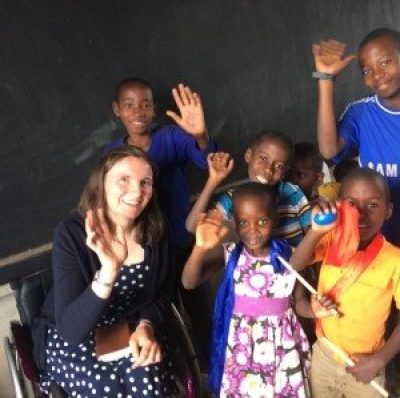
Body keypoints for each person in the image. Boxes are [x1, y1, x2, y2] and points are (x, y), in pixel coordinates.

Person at [32, 147, 178, 397]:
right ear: (102, 183)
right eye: (124, 180)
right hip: (75, 335)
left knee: (148, 378)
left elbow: (162, 294)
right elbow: (71, 331)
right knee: (104, 386)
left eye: (145, 182)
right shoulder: (71, 234)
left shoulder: (157, 231)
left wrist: (146, 325)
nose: (137, 191)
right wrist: (110, 269)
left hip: (130, 328)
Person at [103, 78, 218, 367]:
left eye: (145, 104)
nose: (138, 111)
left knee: (200, 308)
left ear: (154, 109)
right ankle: (178, 369)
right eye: (129, 105)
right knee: (161, 314)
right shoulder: (113, 154)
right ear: (117, 109)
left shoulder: (171, 137)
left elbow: (208, 161)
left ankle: (212, 368)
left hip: (183, 241)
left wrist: (201, 135)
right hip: (146, 252)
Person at [182, 182, 316, 397]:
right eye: (244, 222)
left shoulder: (291, 256)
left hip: (282, 344)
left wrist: (315, 310)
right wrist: (199, 248)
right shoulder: (231, 254)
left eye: (262, 221)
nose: (252, 230)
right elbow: (189, 282)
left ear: (275, 220)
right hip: (242, 346)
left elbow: (299, 302)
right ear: (235, 224)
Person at [290, 168, 400, 397]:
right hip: (325, 355)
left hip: (367, 361)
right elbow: (295, 264)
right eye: (351, 205)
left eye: (372, 205)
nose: (360, 214)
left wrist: (379, 360)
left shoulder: (394, 260)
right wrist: (316, 231)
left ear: (388, 211)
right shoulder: (330, 240)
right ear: (338, 206)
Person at [312, 27, 400, 245]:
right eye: (366, 70)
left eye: (385, 62)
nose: (376, 74)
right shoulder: (360, 113)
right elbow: (328, 150)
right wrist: (325, 79)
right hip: (379, 240)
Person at [186, 131, 311, 248]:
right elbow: (192, 227)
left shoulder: (293, 193)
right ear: (249, 156)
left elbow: (312, 236)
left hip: (295, 267)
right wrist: (213, 181)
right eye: (263, 158)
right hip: (253, 270)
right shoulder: (233, 199)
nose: (268, 169)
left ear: (284, 172)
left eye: (279, 166)